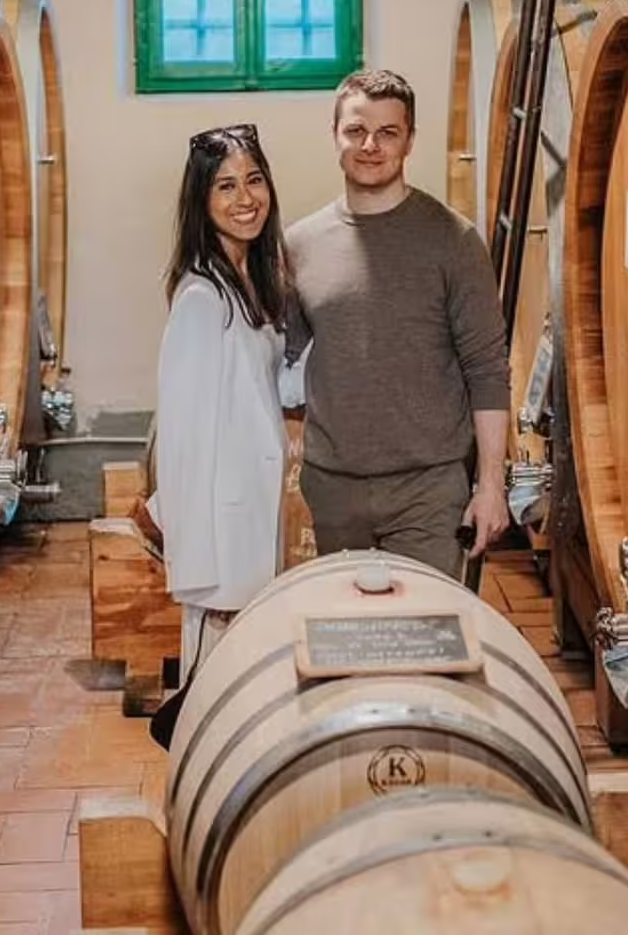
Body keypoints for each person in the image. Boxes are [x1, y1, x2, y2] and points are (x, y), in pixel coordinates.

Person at [286, 69, 511, 580]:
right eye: (356, 131)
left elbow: (487, 371)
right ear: (335, 135)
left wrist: (491, 485)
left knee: (421, 643)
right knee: (343, 642)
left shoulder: (453, 241)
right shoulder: (300, 244)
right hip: (331, 487)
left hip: (428, 490)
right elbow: (280, 357)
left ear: (409, 140)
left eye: (388, 132)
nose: (371, 145)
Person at [152, 123, 290, 675]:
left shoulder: (251, 281)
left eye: (254, 181)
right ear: (201, 200)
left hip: (254, 514)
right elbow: (183, 439)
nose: (245, 199)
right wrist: (199, 565)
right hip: (223, 535)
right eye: (226, 186)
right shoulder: (202, 297)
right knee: (218, 683)